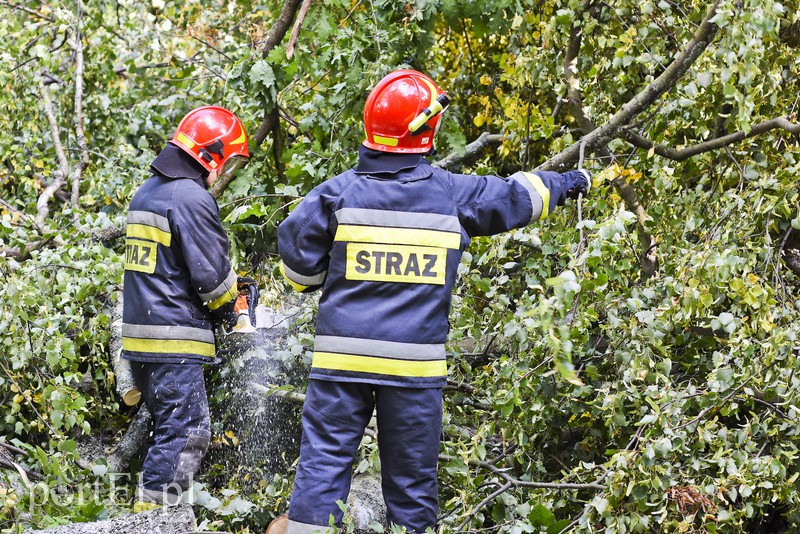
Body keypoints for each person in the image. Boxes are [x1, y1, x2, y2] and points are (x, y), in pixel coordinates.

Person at [275, 70, 591, 533]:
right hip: (413, 373)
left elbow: (298, 268)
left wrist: (333, 273)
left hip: (340, 365)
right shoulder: (451, 194)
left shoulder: (335, 194)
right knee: (411, 488)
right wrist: (570, 180)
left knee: (321, 471)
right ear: (427, 130)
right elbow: (517, 196)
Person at [120, 105, 251, 511]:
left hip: (143, 336)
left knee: (167, 432)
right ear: (211, 154)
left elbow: (169, 267)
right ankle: (156, 518)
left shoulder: (147, 192)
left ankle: (150, 511)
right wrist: (236, 305)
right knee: (186, 434)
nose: (222, 170)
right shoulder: (190, 197)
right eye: (225, 160)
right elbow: (211, 278)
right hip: (172, 339)